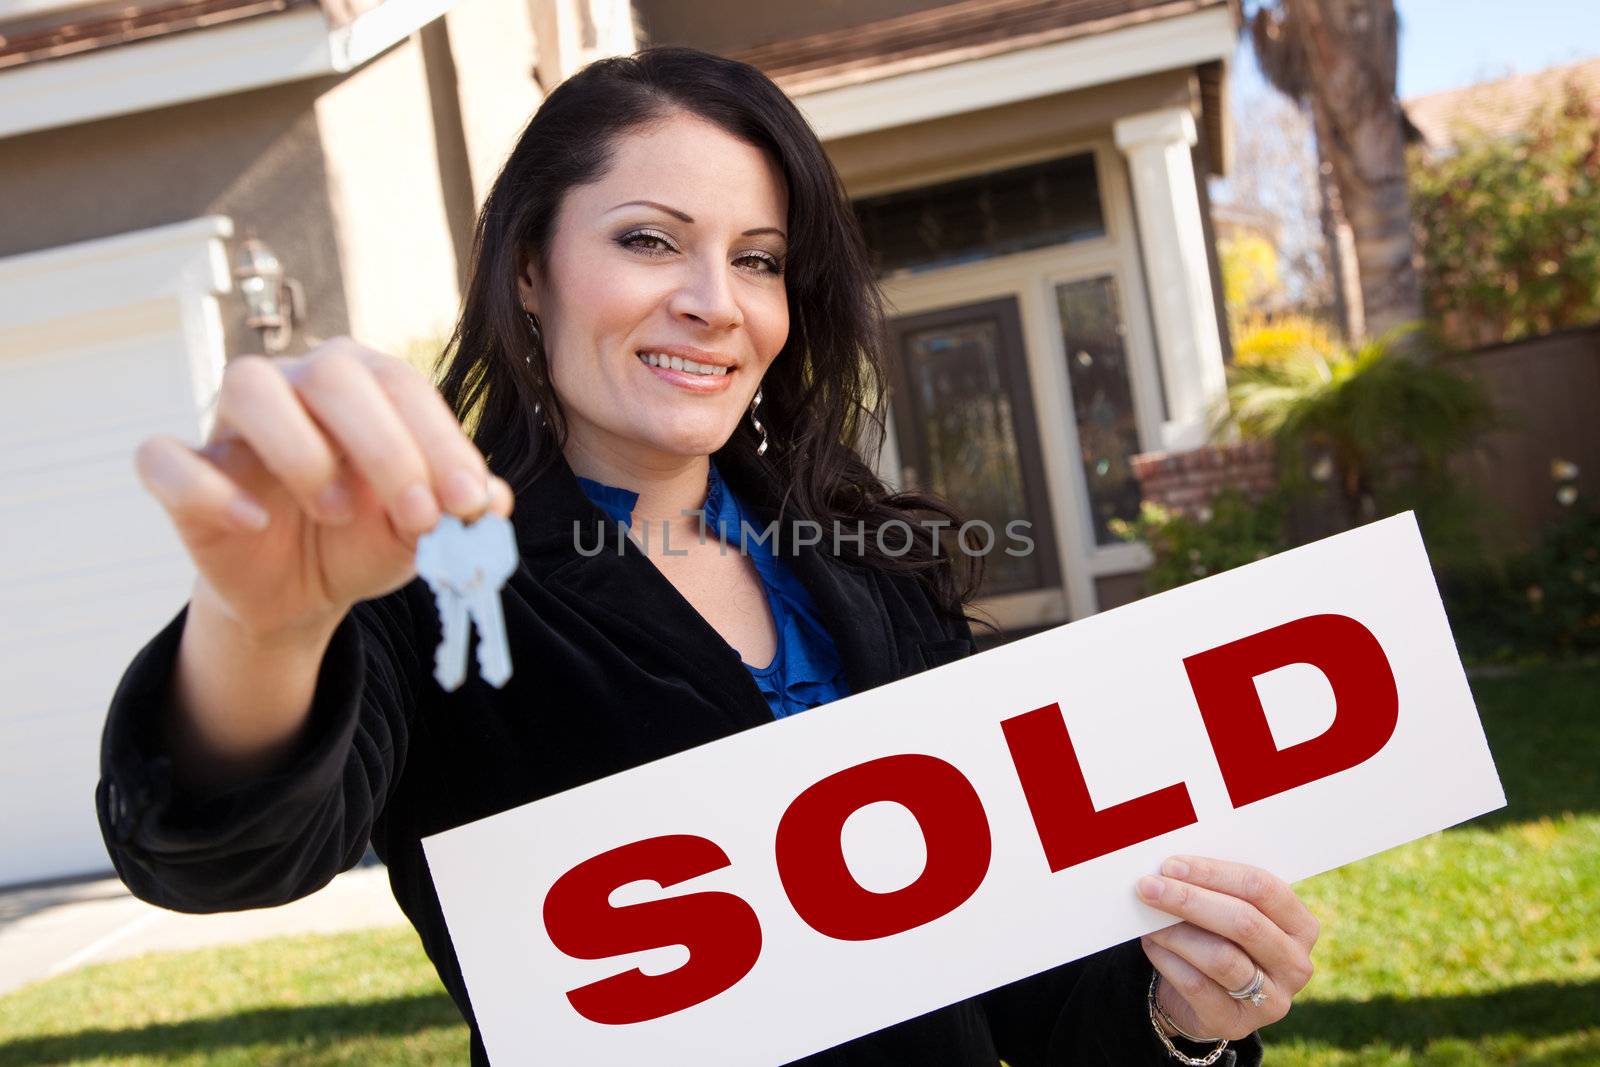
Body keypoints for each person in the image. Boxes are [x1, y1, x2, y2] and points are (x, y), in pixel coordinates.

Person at [101, 46, 1318, 1066]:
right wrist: (262, 621)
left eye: (756, 257)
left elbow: (1031, 986)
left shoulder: (866, 564)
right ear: (529, 270)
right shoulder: (423, 579)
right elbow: (219, 852)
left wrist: (1183, 1018)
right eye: (647, 239)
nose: (713, 301)